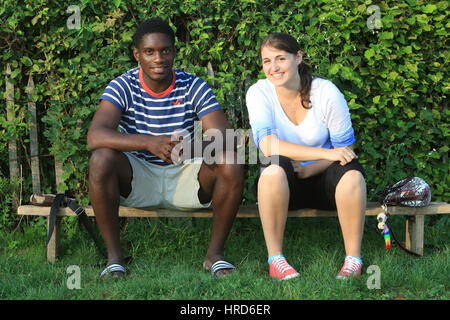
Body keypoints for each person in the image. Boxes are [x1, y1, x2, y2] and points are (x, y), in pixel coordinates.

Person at [87, 18, 244, 279]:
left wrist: (187, 149)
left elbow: (227, 138)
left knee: (231, 160)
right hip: (139, 179)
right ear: (137, 54)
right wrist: (149, 142)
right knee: (100, 158)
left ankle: (214, 256)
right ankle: (114, 259)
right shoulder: (123, 85)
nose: (158, 58)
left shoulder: (193, 85)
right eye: (149, 52)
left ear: (174, 51)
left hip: (185, 176)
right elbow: (95, 136)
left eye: (165, 50)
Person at [246, 33, 366, 281]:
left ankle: (353, 260)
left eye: (281, 58)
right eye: (267, 61)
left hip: (326, 184)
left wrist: (312, 167)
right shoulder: (258, 93)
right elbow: (268, 145)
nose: (274, 67)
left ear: (298, 57)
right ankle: (275, 260)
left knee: (351, 170)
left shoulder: (326, 92)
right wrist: (326, 152)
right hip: (283, 188)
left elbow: (346, 150)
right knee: (273, 165)